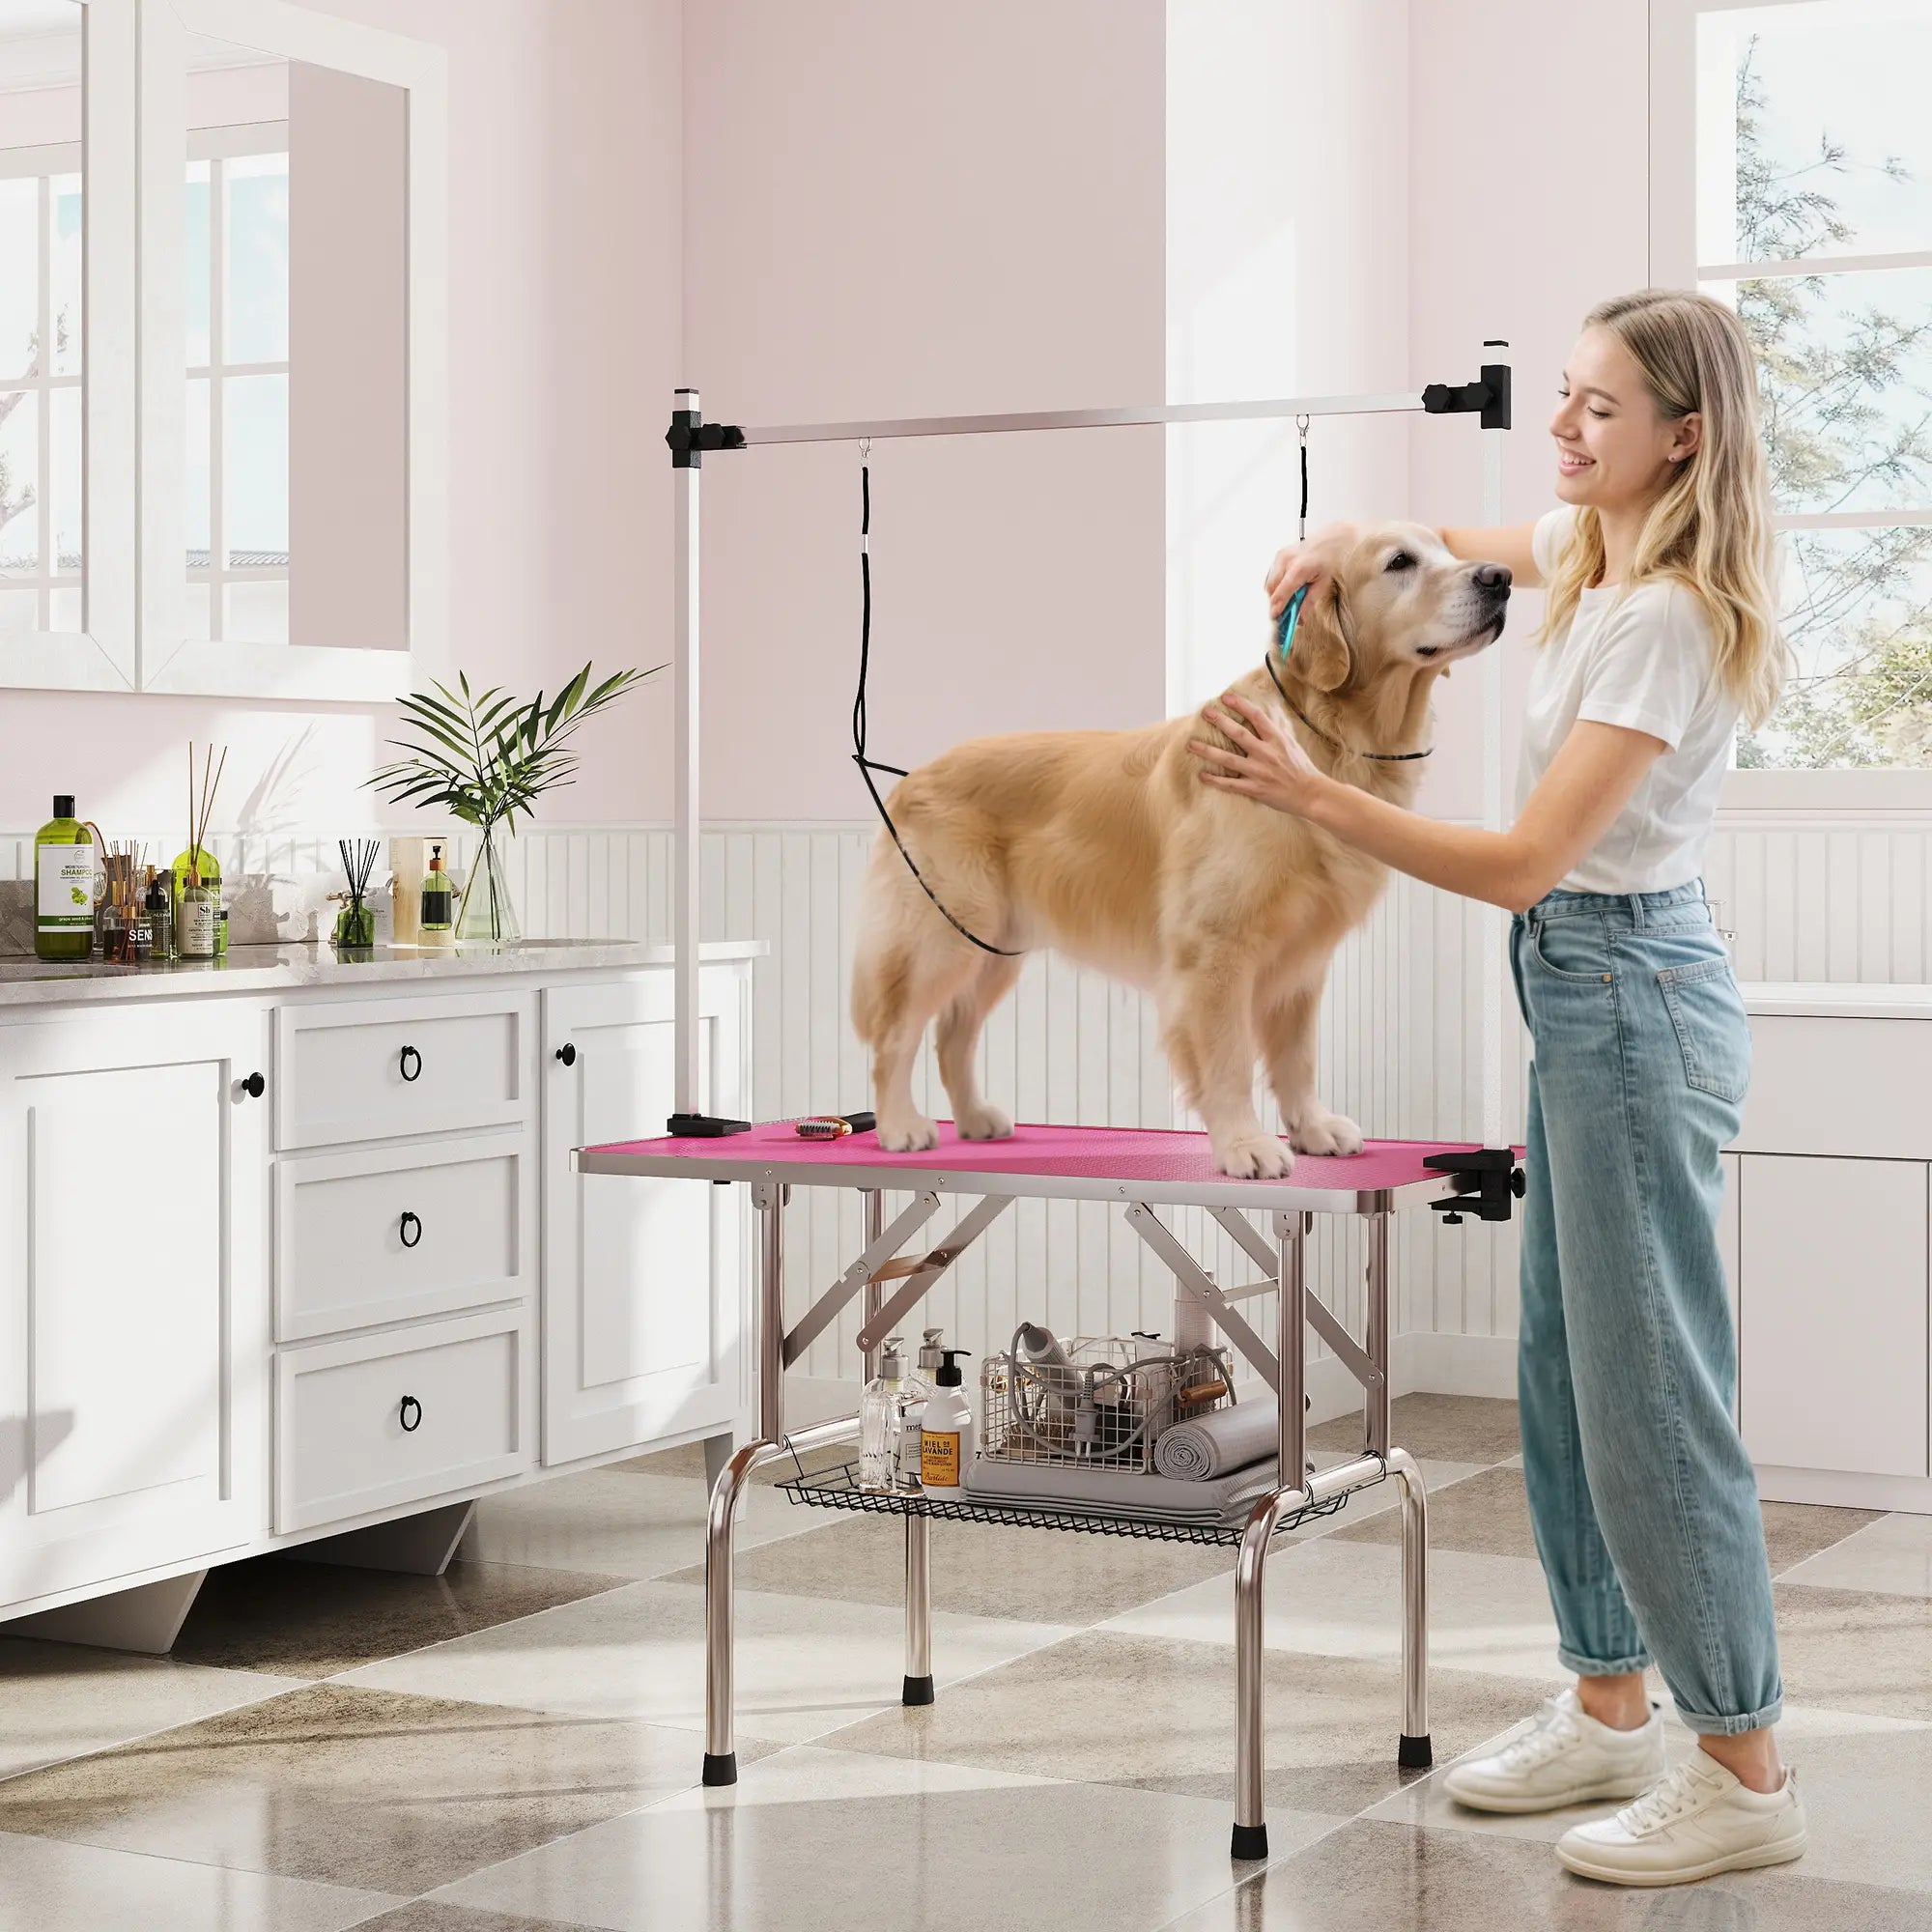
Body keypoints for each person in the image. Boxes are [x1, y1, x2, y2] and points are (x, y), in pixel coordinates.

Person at [1188, 288, 1803, 1889]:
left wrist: (1310, 791)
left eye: (1600, 407)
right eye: (1566, 397)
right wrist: (1317, 550)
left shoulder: (1668, 614)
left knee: (1653, 1394)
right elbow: (1465, 535)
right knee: (1559, 1374)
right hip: (1583, 996)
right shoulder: (1594, 554)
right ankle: (1609, 1705)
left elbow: (1530, 861)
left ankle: (1740, 1760)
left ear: (1684, 434)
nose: (1565, 426)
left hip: (1629, 991)